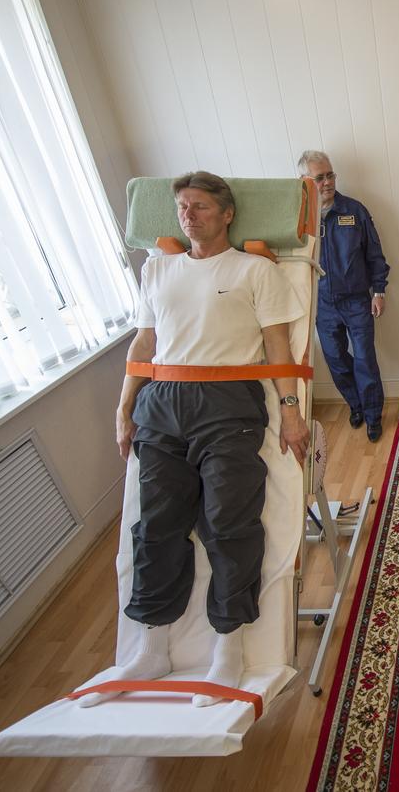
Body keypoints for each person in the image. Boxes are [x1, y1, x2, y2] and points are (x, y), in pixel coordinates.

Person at [89, 172, 310, 708]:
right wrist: (124, 410)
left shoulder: (256, 270)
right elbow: (144, 343)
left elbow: (278, 349)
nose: (189, 214)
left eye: (202, 206)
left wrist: (291, 413)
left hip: (227, 404)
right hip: (161, 406)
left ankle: (228, 645)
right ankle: (152, 645)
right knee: (156, 526)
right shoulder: (157, 270)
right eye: (183, 206)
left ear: (227, 214)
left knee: (228, 525)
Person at [301, 150, 390, 442]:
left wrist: (378, 290)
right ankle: (356, 405)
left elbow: (374, 254)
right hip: (322, 303)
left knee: (365, 359)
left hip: (356, 300)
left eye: (330, 175)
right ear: (305, 180)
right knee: (336, 360)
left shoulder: (354, 211)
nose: (327, 182)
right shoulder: (300, 219)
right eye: (319, 177)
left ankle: (373, 415)